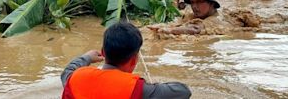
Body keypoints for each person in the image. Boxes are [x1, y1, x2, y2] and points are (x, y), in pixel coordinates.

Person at [61, 22, 191, 99]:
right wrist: (153, 87)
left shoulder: (75, 78)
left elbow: (68, 69)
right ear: (134, 60)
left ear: (103, 52)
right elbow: (184, 92)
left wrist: (87, 57)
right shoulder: (137, 88)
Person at [148, 0, 262, 37]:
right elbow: (178, 22)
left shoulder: (216, 20)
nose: (194, 6)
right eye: (192, 2)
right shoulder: (191, 15)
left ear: (212, 4)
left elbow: (196, 29)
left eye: (200, 2)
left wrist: (169, 30)